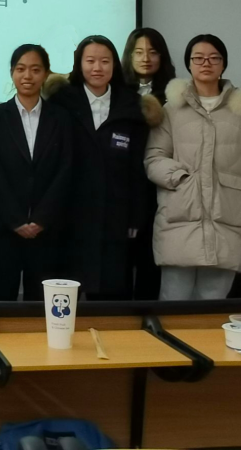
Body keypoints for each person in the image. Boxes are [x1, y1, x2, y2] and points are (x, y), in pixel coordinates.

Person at [145, 34, 241, 300]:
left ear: (223, 64)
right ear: (188, 64)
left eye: (214, 58)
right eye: (199, 58)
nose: (206, 63)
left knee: (213, 307)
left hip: (227, 221)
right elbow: (154, 158)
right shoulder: (172, 109)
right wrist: (181, 177)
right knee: (173, 304)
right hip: (178, 220)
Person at [47, 35, 160, 299]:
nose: (97, 68)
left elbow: (138, 168)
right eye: (90, 61)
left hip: (116, 214)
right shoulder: (61, 102)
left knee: (112, 291)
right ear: (79, 64)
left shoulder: (132, 105)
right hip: (69, 214)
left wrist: (136, 217)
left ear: (115, 65)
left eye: (105, 61)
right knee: (67, 292)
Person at [0, 45, 73, 301]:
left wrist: (42, 218)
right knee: (1, 299)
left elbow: (65, 169)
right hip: (3, 228)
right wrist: (16, 220)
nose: (27, 76)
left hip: (47, 230)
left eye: (35, 69)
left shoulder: (61, 117)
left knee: (41, 305)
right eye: (21, 69)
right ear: (12, 72)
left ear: (45, 73)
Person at [122, 27, 177, 299]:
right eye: (139, 52)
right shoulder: (117, 93)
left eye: (153, 52)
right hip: (124, 186)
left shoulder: (175, 95)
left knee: (151, 263)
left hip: (159, 189)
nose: (146, 58)